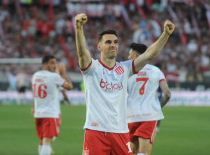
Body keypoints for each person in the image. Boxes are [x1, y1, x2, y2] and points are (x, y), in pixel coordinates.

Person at [75, 13, 175, 155]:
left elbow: (148, 55)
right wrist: (78, 28)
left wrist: (165, 34)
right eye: (108, 42)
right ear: (99, 46)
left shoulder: (124, 68)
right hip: (96, 131)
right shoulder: (92, 68)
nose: (113, 45)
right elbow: (81, 53)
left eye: (115, 42)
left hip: (120, 132)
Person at [127, 43, 171, 155]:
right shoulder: (156, 71)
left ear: (135, 57)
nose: (128, 57)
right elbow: (167, 94)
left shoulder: (126, 71)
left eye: (129, 55)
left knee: (133, 151)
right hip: (149, 115)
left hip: (130, 115)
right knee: (143, 152)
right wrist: (158, 107)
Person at [31, 55, 73, 155]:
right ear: (45, 64)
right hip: (50, 114)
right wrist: (63, 73)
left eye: (55, 63)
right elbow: (69, 86)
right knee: (47, 141)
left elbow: (35, 93)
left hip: (39, 113)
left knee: (41, 140)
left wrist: (33, 106)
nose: (55, 65)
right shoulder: (54, 77)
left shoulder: (35, 75)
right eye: (52, 63)